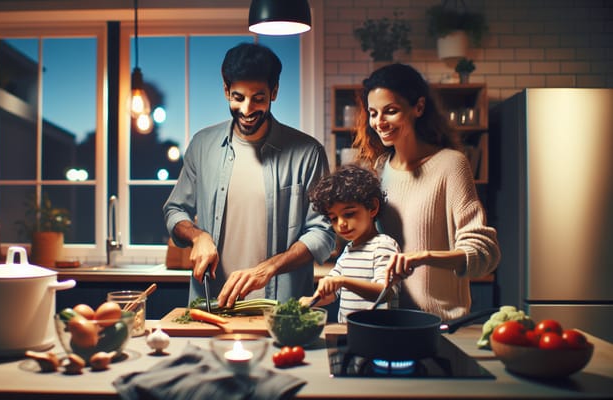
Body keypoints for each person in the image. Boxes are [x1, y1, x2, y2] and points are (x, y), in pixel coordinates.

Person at [163, 43, 335, 308]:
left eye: (258, 98)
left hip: (281, 310)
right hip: (211, 306)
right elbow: (175, 210)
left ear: (274, 92)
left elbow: (323, 232)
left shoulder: (308, 152)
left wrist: (268, 268)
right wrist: (198, 236)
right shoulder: (202, 145)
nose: (246, 109)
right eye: (238, 97)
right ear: (226, 91)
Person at [352, 63, 501, 321]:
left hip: (439, 324)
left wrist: (426, 257)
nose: (379, 122)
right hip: (389, 320)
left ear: (418, 108)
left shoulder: (450, 164)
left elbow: (485, 254)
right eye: (373, 113)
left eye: (391, 111)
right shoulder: (379, 169)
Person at [299, 164, 400, 323]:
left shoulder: (383, 245)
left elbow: (385, 292)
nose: (341, 224)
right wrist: (313, 299)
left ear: (372, 207)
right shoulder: (348, 251)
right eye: (334, 218)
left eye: (349, 214)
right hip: (349, 334)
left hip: (378, 336)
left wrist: (342, 281)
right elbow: (332, 294)